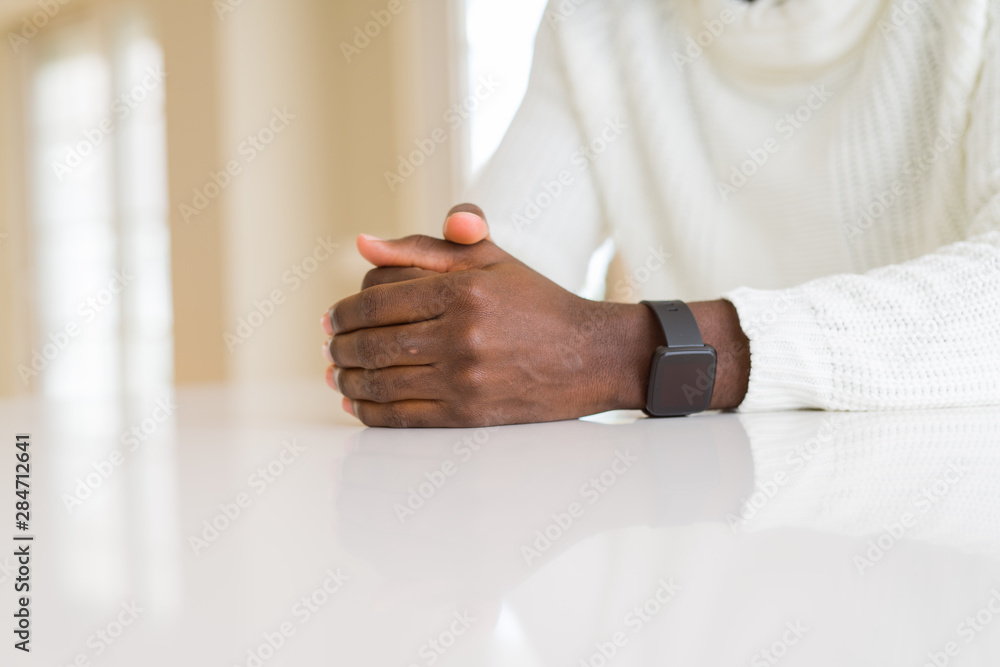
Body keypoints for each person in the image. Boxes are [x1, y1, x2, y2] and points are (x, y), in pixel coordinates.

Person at [321, 0, 1000, 428]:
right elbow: (503, 277)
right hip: (698, 542)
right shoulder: (595, 23)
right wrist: (444, 304)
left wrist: (621, 350)